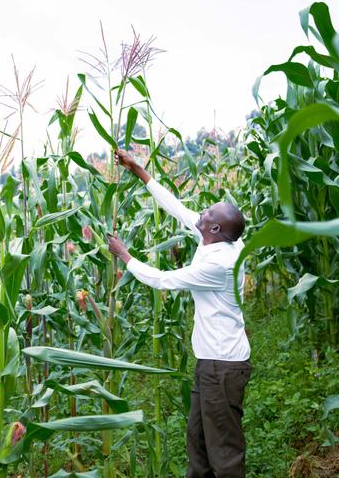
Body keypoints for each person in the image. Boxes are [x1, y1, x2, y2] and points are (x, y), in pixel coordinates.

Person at [107, 148, 251, 478]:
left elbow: (162, 280)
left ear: (214, 229)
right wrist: (138, 170)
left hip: (223, 366)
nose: (201, 211)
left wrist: (125, 256)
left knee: (224, 453)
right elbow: (177, 209)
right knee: (198, 443)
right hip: (211, 362)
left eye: (209, 212)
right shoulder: (218, 239)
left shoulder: (220, 264)